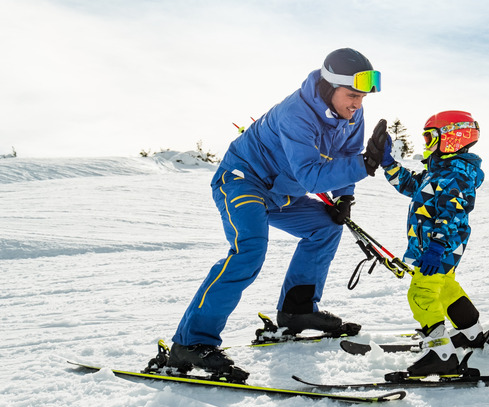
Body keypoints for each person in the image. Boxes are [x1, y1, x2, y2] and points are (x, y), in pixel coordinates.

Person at [166, 48, 389, 377]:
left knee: (325, 227)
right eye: (352, 95)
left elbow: (346, 154)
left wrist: (344, 198)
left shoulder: (351, 116)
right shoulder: (295, 113)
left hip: (283, 193)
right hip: (244, 182)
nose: (357, 104)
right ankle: (190, 343)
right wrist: (365, 166)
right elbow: (312, 176)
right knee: (249, 250)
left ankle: (297, 311)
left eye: (362, 98)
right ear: (330, 87)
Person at [377, 110, 489, 376]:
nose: (427, 144)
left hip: (437, 249)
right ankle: (471, 333)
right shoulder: (440, 172)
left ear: (452, 138)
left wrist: (436, 248)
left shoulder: (454, 176)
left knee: (422, 294)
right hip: (439, 249)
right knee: (446, 287)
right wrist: (388, 163)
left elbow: (452, 215)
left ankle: (441, 354)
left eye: (430, 138)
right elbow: (410, 185)